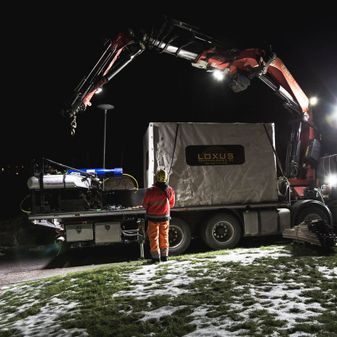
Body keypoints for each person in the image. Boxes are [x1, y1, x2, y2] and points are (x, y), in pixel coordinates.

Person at [142, 169, 175, 263]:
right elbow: (172, 204)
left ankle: (156, 257)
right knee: (164, 236)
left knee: (153, 237)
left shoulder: (150, 191)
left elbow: (145, 205)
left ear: (155, 178)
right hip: (165, 217)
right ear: (166, 179)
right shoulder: (169, 190)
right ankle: (165, 256)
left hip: (152, 218)